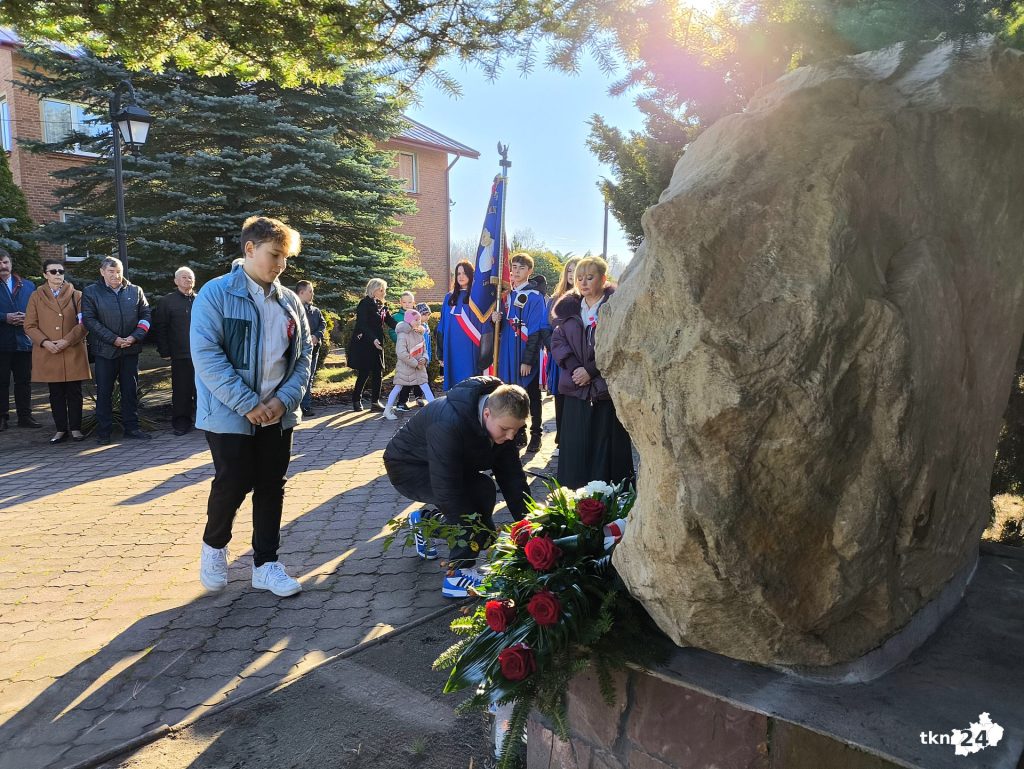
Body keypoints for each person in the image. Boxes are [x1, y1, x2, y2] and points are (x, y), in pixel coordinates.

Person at [190, 215, 312, 598]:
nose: (281, 264)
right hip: (229, 414)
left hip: (278, 414)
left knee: (271, 485)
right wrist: (247, 404)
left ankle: (266, 564)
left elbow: (304, 355)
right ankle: (214, 546)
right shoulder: (216, 294)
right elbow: (207, 355)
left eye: (286, 257)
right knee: (234, 481)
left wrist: (283, 400)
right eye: (274, 254)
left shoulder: (289, 301)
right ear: (249, 249)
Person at [383, 376, 530, 598]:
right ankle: (456, 577)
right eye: (505, 429)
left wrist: (529, 526)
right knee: (469, 515)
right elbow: (448, 491)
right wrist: (475, 533)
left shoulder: (503, 421)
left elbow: (513, 479)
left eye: (516, 430)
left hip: (446, 464)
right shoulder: (448, 424)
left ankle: (425, 523)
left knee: (483, 490)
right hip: (409, 467)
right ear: (487, 414)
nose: (511, 436)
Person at [550, 256, 634, 490]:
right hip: (575, 387)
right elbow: (558, 341)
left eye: (589, 277)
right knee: (576, 447)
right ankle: (575, 496)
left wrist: (590, 370)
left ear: (603, 278)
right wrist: (575, 368)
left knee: (605, 448)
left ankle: (610, 498)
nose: (583, 282)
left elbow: (619, 344)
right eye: (579, 278)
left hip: (604, 389)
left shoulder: (614, 307)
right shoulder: (568, 309)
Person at [82, 256, 152, 444]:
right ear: (102, 272)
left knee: (130, 391)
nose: (115, 275)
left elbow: (146, 315)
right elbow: (89, 320)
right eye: (111, 271)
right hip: (105, 352)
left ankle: (132, 428)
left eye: (118, 271)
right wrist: (113, 339)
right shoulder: (91, 292)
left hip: (130, 350)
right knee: (104, 392)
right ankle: (104, 432)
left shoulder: (136, 291)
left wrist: (134, 337)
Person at [23, 258, 91, 444]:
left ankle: (76, 429)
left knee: (74, 392)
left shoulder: (77, 295)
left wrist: (66, 340)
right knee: (55, 393)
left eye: (61, 271)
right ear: (45, 275)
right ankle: (61, 430)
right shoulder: (36, 296)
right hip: (49, 351)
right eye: (53, 271)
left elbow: (84, 323)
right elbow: (29, 325)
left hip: (72, 349)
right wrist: (45, 342)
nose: (58, 275)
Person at [492, 252, 548, 453]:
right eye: (514, 267)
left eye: (521, 268)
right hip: (508, 354)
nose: (516, 271)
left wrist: (528, 360)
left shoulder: (535, 297)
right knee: (512, 394)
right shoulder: (506, 296)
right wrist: (495, 320)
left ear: (529, 271)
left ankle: (536, 434)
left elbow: (536, 331)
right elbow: (502, 329)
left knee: (531, 394)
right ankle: (519, 430)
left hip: (525, 353)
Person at [154, 267, 197, 435]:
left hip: (202, 353)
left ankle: (204, 421)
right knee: (181, 390)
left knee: (202, 390)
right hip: (180, 354)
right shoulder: (167, 301)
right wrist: (164, 351)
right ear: (176, 281)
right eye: (184, 277)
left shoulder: (201, 299)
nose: (188, 280)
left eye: (190, 277)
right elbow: (161, 327)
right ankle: (181, 423)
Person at [0, 249, 39, 430]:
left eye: (5, 262)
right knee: (1, 382)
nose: (2, 266)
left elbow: (37, 310)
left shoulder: (28, 285)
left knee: (24, 382)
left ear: (11, 263)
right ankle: (2, 417)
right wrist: (4, 317)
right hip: (2, 342)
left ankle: (25, 416)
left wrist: (27, 317)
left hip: (23, 342)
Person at [546, 257, 580, 457]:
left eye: (576, 271)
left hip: (579, 358)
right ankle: (560, 440)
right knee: (560, 399)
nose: (572, 275)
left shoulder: (585, 300)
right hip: (559, 359)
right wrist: (554, 348)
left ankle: (575, 440)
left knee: (577, 399)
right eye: (569, 270)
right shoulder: (554, 299)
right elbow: (545, 328)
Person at [348, 278, 397, 412]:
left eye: (384, 290)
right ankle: (356, 400)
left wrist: (403, 326)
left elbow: (389, 320)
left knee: (378, 372)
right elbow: (362, 324)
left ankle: (375, 402)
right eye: (381, 290)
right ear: (373, 290)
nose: (383, 292)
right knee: (364, 372)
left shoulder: (382, 305)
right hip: (366, 342)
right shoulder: (364, 304)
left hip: (378, 342)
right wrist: (373, 339)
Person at [382, 309, 435, 420]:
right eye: (416, 320)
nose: (418, 321)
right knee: (397, 387)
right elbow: (401, 353)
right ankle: (387, 410)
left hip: (419, 368)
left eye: (419, 319)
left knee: (425, 387)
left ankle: (436, 410)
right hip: (406, 368)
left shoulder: (419, 334)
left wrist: (424, 358)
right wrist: (415, 363)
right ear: (409, 320)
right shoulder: (402, 335)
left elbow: (424, 350)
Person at [436, 260, 477, 391]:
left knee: (470, 384)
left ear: (471, 275)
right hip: (451, 347)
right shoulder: (449, 297)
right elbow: (442, 326)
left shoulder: (476, 297)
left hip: (470, 348)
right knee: (454, 387)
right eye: (458, 273)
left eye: (464, 273)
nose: (461, 276)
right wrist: (440, 352)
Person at [388, 290, 432, 412]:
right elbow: (393, 331)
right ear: (400, 303)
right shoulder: (397, 317)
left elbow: (422, 326)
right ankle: (401, 401)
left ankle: (420, 397)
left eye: (409, 302)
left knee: (419, 378)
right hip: (406, 353)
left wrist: (421, 329)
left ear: (413, 302)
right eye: (404, 302)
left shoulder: (416, 314)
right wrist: (400, 341)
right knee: (405, 379)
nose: (407, 304)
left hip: (418, 353)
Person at [295, 280, 326, 417]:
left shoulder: (315, 311)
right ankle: (294, 406)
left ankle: (306, 406)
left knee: (309, 377)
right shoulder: (293, 309)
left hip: (314, 351)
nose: (312, 294)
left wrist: (317, 336)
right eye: (310, 291)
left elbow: (323, 324)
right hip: (298, 351)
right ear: (301, 292)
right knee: (297, 377)